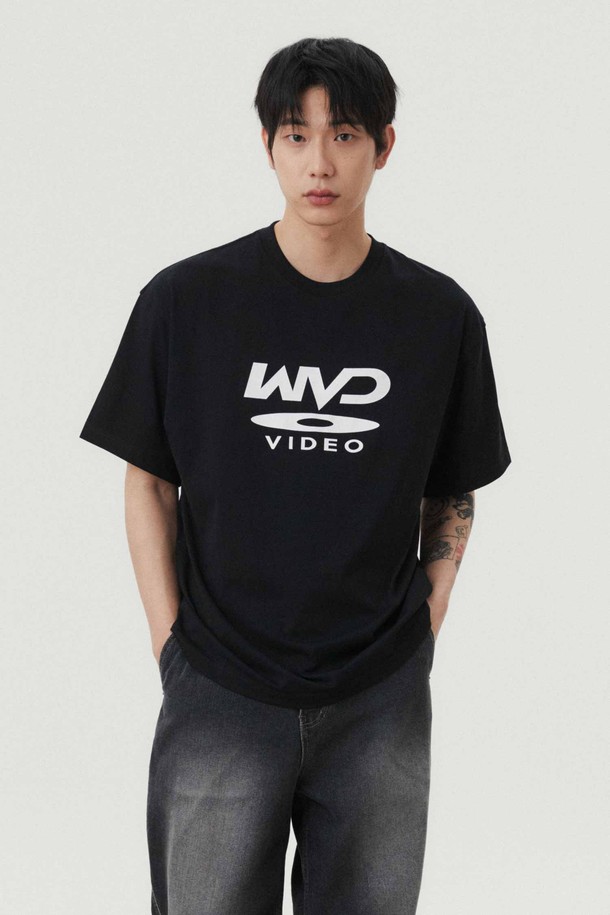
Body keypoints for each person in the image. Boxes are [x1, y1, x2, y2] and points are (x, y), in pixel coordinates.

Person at [79, 36, 511, 915]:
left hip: (379, 693)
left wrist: (421, 630)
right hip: (220, 684)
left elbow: (454, 486)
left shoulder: (439, 317)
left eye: (344, 134)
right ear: (268, 145)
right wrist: (172, 646)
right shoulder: (187, 301)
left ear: (384, 146)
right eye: (296, 134)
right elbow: (147, 480)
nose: (320, 162)